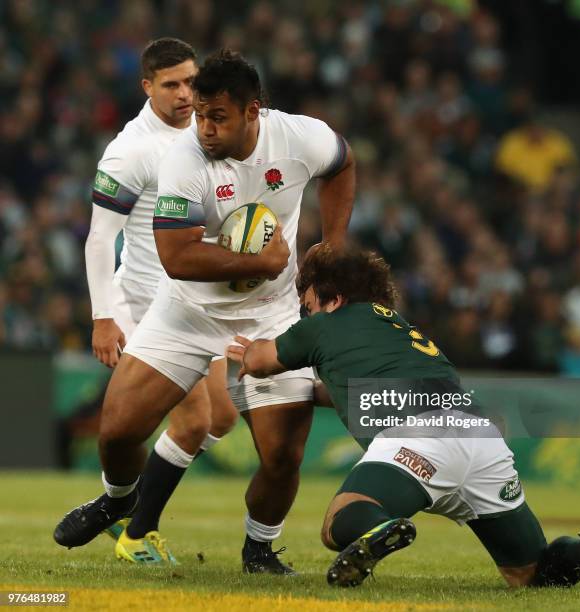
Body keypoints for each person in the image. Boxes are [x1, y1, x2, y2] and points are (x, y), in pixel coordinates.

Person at [54, 49, 355, 574]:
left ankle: (259, 548)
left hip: (272, 315)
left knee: (282, 457)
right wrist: (257, 260)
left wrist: (331, 244)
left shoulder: (301, 138)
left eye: (217, 116)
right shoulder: (182, 160)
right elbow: (177, 256)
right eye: (199, 115)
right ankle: (121, 500)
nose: (205, 128)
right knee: (118, 431)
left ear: (252, 111)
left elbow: (344, 164)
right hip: (187, 311)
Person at [228, 246, 580, 588]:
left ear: (334, 298)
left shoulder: (326, 324)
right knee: (533, 575)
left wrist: (247, 351)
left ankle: (382, 528)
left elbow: (262, 361)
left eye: (307, 304)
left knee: (339, 524)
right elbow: (360, 390)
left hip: (417, 439)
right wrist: (310, 394)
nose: (304, 313)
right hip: (480, 439)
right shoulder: (398, 327)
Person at [54, 38, 238, 564]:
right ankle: (136, 525)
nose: (185, 94)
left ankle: (122, 501)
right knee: (194, 422)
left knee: (221, 419)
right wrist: (103, 318)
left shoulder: (211, 130)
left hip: (200, 304)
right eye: (171, 85)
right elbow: (97, 239)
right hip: (148, 307)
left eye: (190, 81)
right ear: (146, 87)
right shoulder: (132, 149)